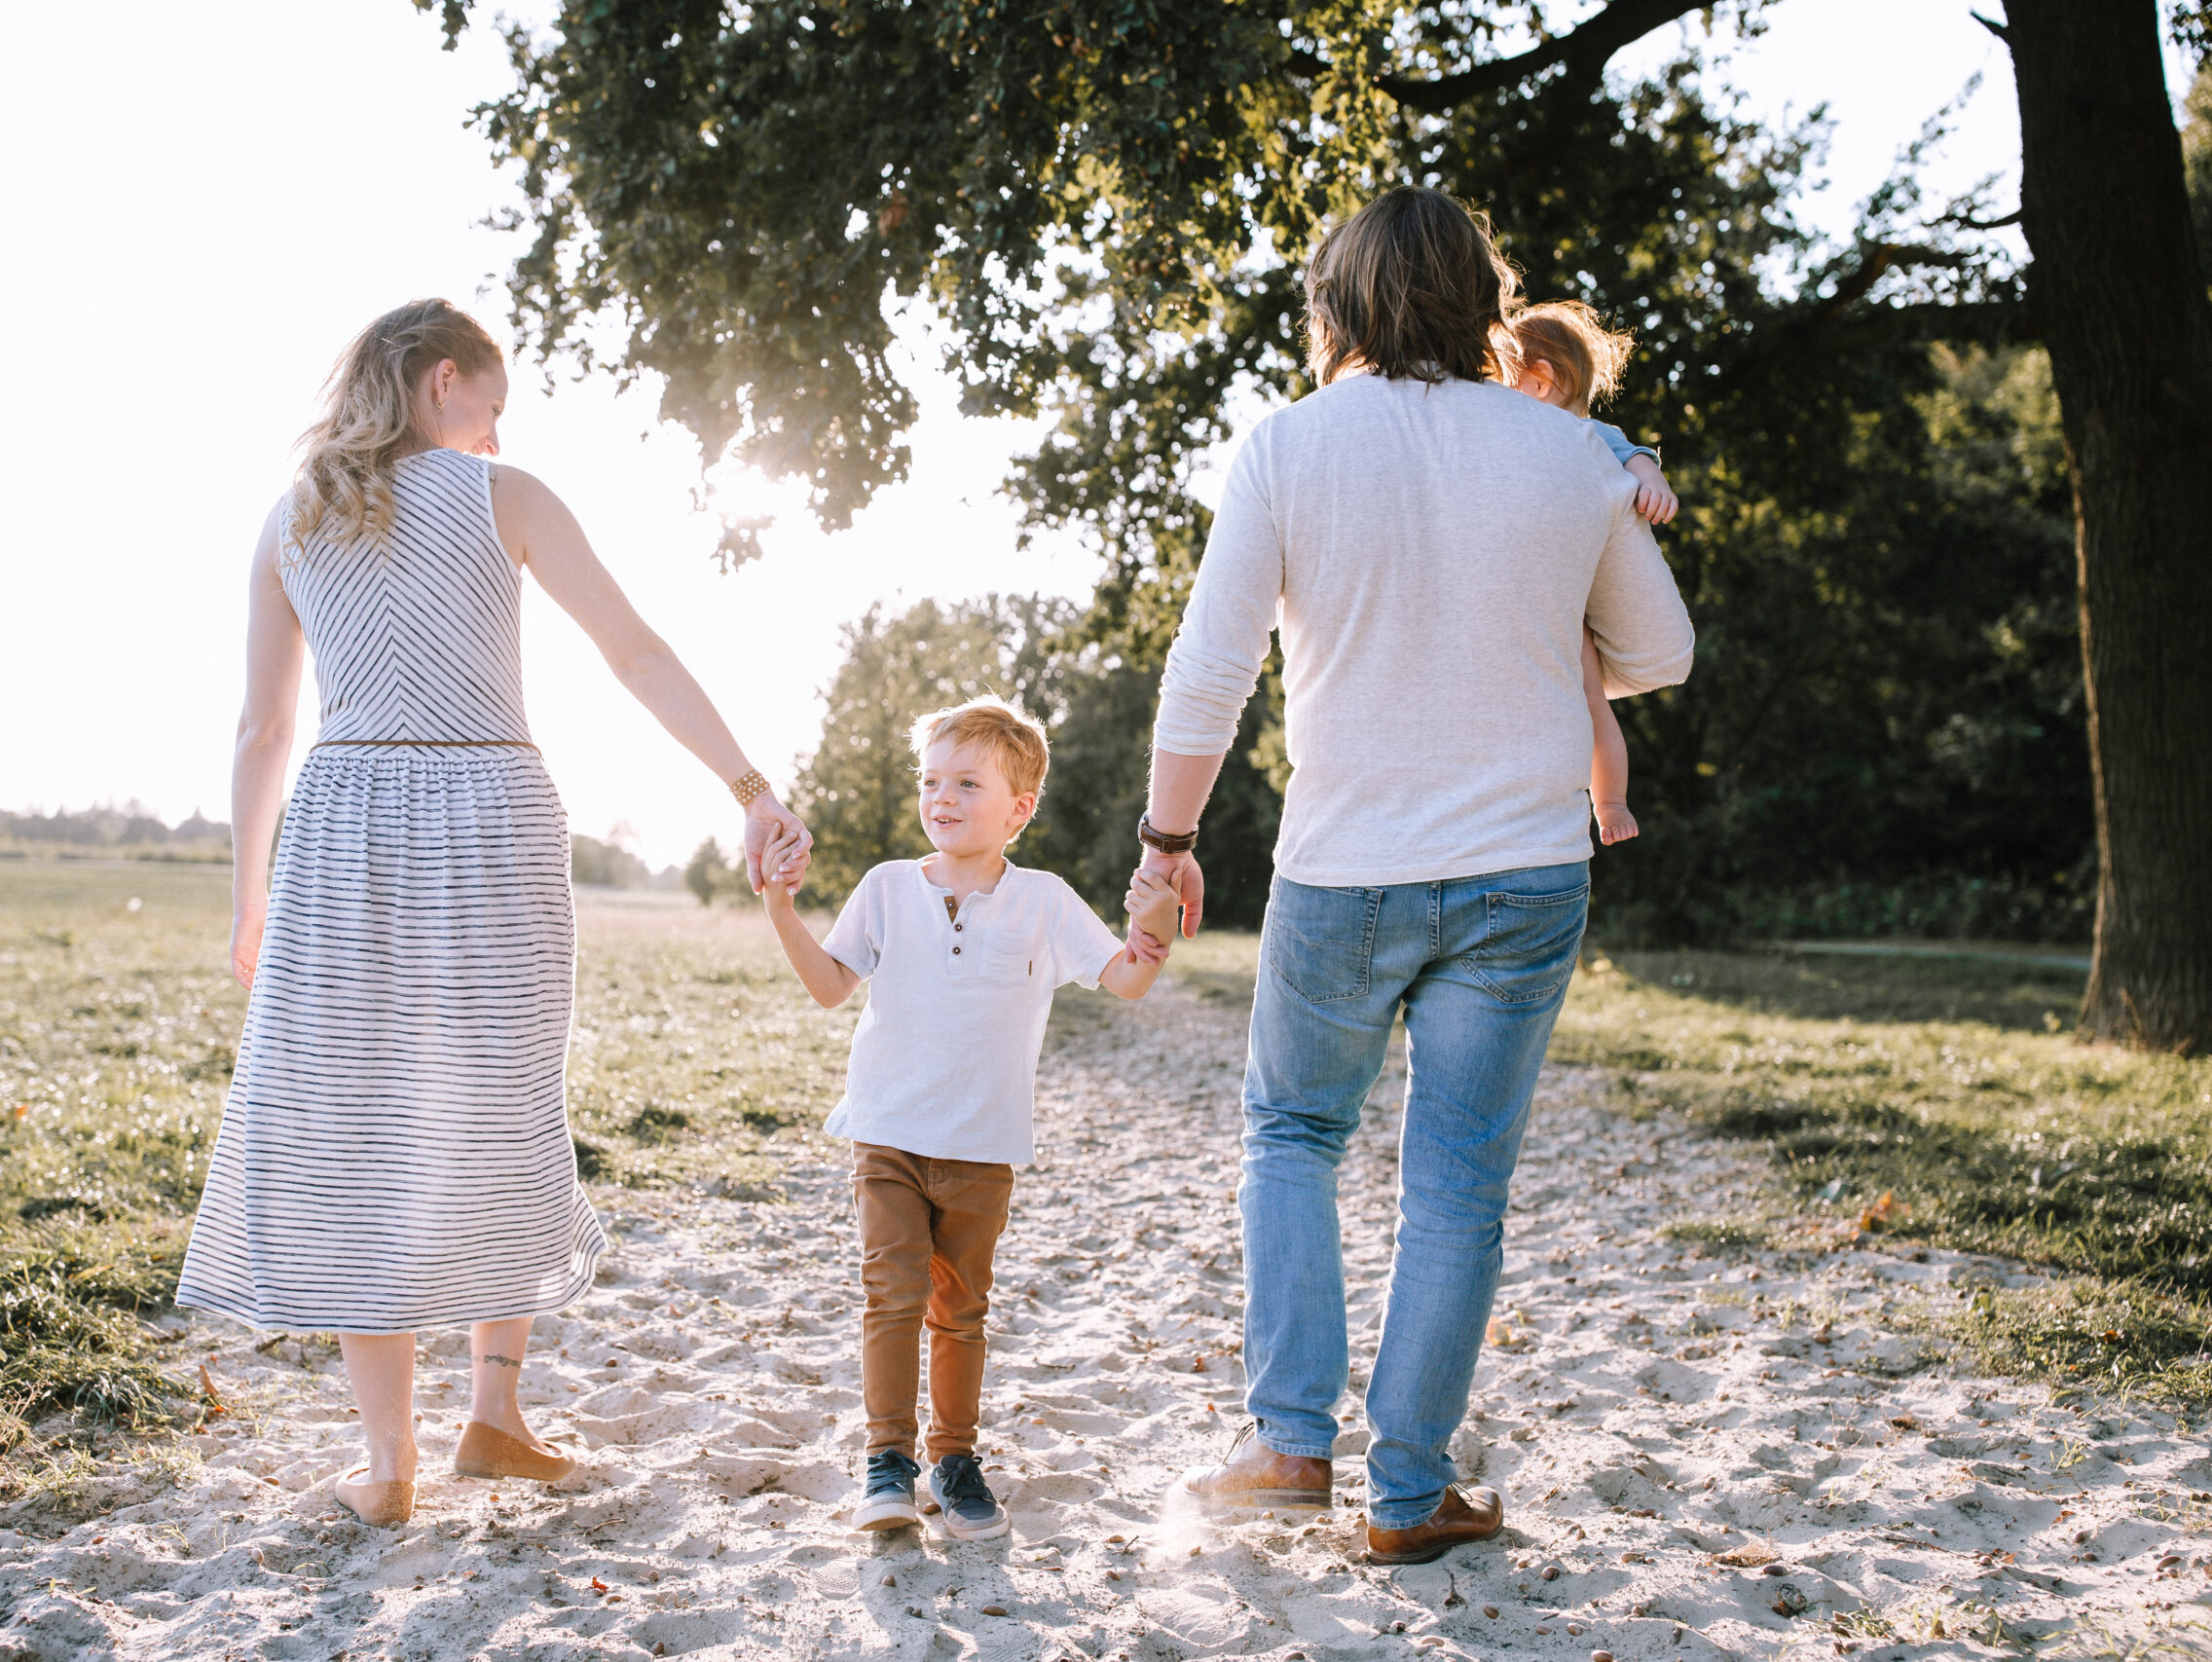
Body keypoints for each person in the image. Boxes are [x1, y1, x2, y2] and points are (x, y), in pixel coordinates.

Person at [175, 298, 809, 1528]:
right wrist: (749, 787)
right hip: (491, 812)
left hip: (343, 826)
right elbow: (635, 653)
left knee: (359, 1134)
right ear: (442, 380)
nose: (495, 435)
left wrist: (250, 895)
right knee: (502, 1107)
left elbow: (262, 732)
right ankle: (495, 1414)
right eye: (491, 408)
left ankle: (390, 1462)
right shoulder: (504, 495)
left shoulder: (292, 515)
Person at [1129, 189, 1695, 1564]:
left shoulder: (1289, 444)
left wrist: (1165, 846)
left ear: (1336, 306)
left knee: (1292, 1134)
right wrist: (1529, 638)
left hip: (1344, 868)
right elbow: (1660, 652)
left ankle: (1287, 1443)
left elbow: (1210, 671)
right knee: (1457, 1186)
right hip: (1522, 873)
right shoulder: (1569, 452)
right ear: (1484, 304)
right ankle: (1406, 1497)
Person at [756, 698, 1181, 1541]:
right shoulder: (886, 887)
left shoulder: (1045, 900)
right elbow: (832, 986)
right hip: (888, 1132)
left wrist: (1158, 921)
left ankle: (954, 1458)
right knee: (891, 1293)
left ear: (1019, 808)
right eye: (930, 781)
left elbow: (1129, 977)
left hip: (984, 1146)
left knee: (960, 1308)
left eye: (966, 783)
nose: (941, 797)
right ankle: (887, 1460)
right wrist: (779, 909)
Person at [1504, 299, 1682, 847]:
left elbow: (1636, 455)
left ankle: (1609, 801)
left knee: (1589, 698)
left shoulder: (1589, 433)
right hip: (1537, 585)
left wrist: (1653, 482)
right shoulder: (1517, 431)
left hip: (1569, 594)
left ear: (1539, 382)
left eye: (1499, 376)